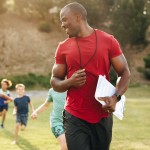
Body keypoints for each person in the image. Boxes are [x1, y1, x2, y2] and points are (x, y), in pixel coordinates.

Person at [50, 2, 131, 150]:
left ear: (78, 17)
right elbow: (54, 81)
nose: (62, 25)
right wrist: (70, 82)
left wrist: (115, 97)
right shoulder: (63, 47)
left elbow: (125, 72)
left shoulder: (108, 41)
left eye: (64, 19)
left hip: (102, 115)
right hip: (74, 116)